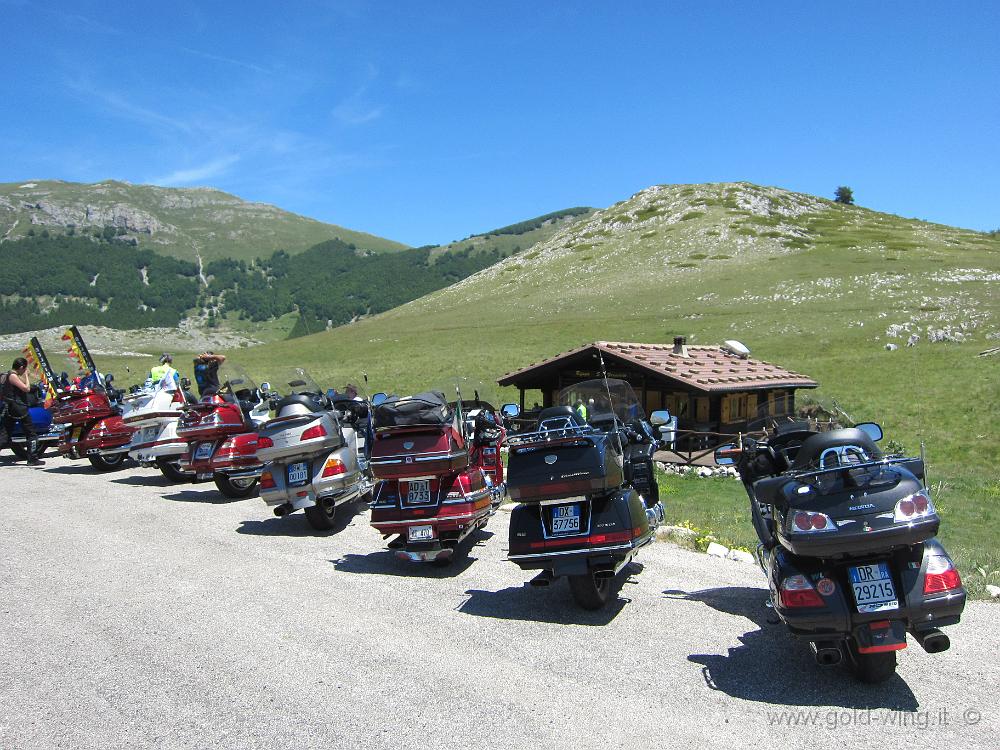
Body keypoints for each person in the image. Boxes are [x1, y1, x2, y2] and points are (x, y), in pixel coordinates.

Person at [1, 357, 44, 465]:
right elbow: (26, 388)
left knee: (5, 434)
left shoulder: (7, 375)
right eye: (24, 369)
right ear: (21, 367)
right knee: (31, 433)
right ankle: (32, 458)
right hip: (18, 408)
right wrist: (26, 375)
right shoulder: (12, 376)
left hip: (10, 408)